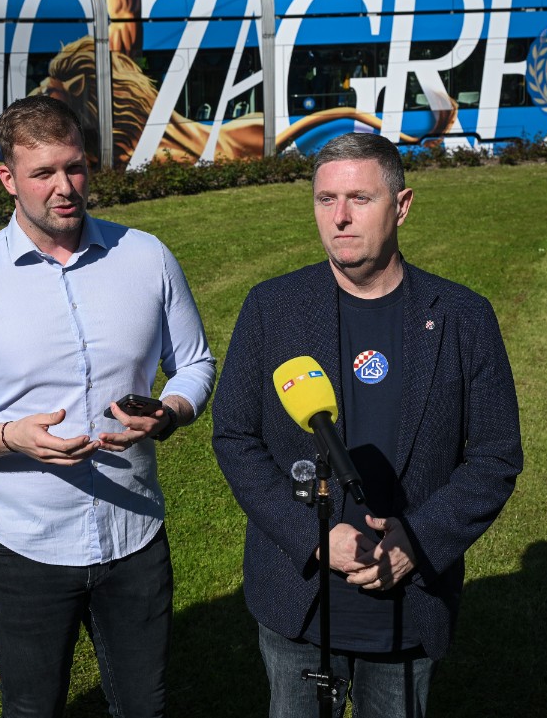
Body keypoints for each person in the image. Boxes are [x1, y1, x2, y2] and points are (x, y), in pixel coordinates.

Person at [0, 95, 216, 717]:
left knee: (145, 707)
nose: (64, 187)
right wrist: (9, 437)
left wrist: (169, 413)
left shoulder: (147, 257)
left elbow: (195, 364)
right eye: (43, 173)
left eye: (75, 167)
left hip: (135, 536)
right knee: (33, 709)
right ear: (7, 179)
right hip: (25, 543)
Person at [211, 132, 523, 717]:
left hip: (408, 604)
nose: (340, 217)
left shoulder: (463, 317)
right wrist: (312, 538)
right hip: (298, 601)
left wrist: (419, 541)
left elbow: (495, 455)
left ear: (401, 206)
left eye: (360, 198)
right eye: (326, 199)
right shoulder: (272, 307)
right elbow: (235, 436)